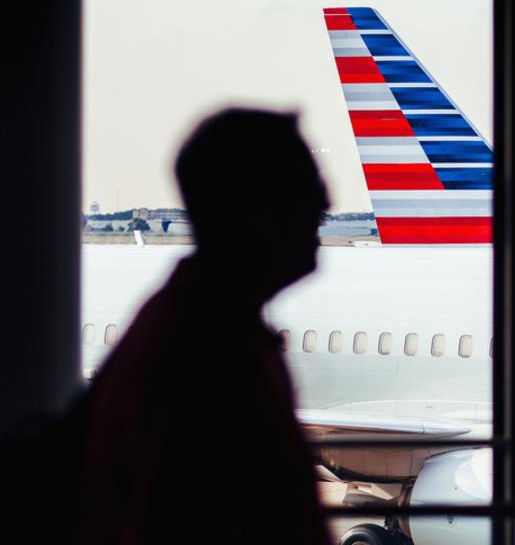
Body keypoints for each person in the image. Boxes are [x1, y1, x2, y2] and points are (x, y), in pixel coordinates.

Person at [80, 108, 330, 544]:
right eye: (310, 192)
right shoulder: (207, 353)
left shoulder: (199, 326)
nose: (327, 205)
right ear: (255, 215)